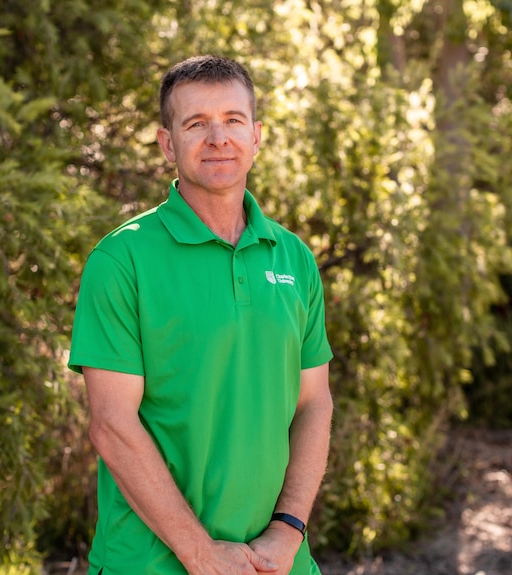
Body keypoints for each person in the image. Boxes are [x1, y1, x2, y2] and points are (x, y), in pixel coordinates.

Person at [68, 55, 334, 575]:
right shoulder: (122, 261)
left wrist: (288, 529)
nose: (218, 138)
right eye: (196, 124)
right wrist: (200, 553)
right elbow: (111, 423)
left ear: (257, 136)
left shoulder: (294, 258)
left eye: (233, 120)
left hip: (276, 563)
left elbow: (314, 404)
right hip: (152, 564)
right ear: (168, 143)